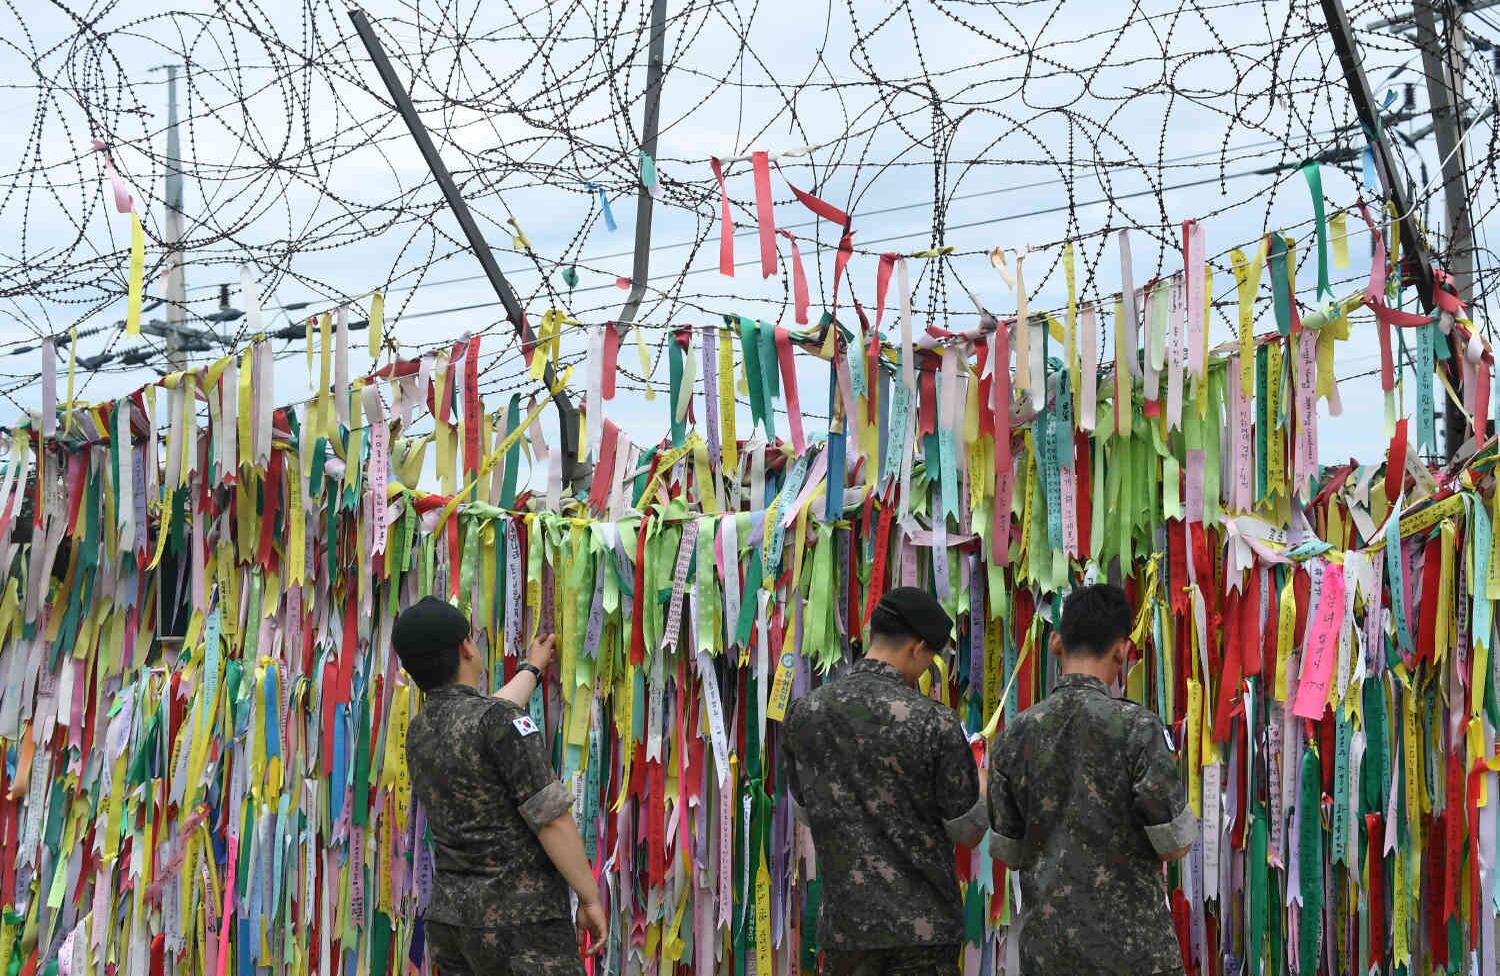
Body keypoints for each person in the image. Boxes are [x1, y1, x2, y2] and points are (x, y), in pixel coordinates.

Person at [988, 583, 1196, 976]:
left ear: (1055, 643)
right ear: (1122, 649)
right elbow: (1174, 844)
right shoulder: (1138, 729)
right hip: (1134, 955)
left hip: (1049, 955)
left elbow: (1007, 854)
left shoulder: (1015, 734)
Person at [393, 596, 606, 976]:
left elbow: (484, 718)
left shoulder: (420, 730)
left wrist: (532, 668)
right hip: (521, 928)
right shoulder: (495, 722)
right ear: (465, 648)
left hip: (453, 926)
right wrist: (589, 898)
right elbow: (551, 818)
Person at [781, 586, 987, 976]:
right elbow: (968, 829)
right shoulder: (933, 721)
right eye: (930, 658)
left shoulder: (805, 714)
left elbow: (806, 811)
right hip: (922, 939)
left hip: (847, 933)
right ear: (918, 648)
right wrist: (984, 781)